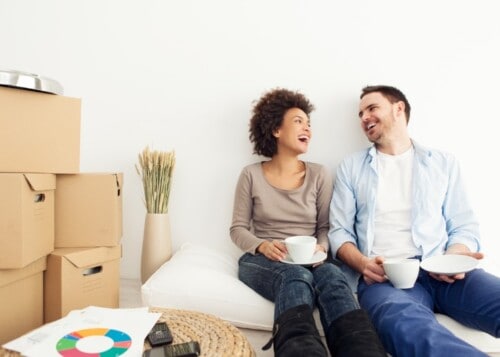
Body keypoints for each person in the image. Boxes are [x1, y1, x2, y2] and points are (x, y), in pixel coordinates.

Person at [328, 84, 500, 356]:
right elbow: (339, 232)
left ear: (399, 109)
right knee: (407, 327)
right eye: (360, 113)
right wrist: (363, 264)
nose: (364, 118)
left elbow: (463, 225)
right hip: (385, 280)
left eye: (372, 108)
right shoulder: (351, 167)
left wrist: (455, 256)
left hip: (441, 272)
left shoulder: (443, 162)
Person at [230, 88, 386, 357]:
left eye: (309, 124)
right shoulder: (251, 174)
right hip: (264, 260)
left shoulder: (319, 174)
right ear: (276, 129)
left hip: (311, 258)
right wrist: (262, 246)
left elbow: (325, 227)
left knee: (333, 276)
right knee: (295, 276)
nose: (307, 129)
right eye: (298, 121)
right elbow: (237, 229)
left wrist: (322, 249)